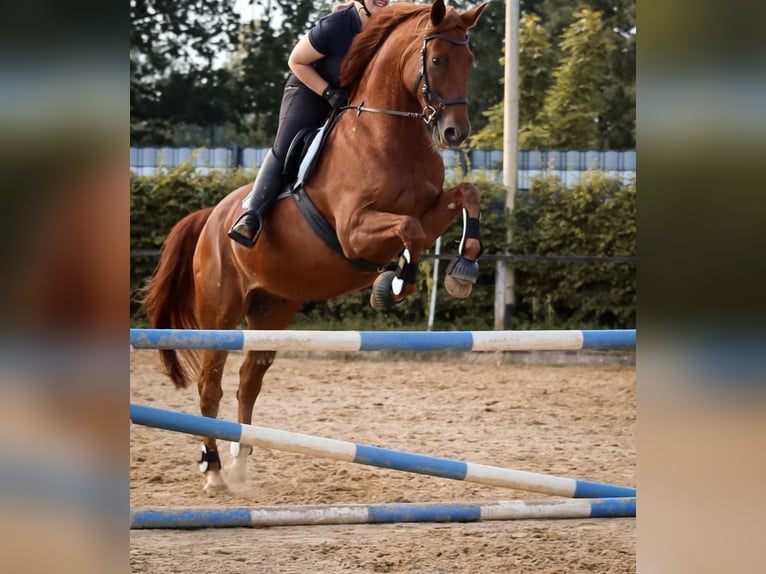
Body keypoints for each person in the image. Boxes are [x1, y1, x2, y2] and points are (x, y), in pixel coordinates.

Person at [228, 0, 391, 248]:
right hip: (310, 90)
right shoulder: (336, 25)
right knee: (287, 147)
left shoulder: (389, 23)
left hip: (352, 98)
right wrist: (327, 93)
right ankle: (252, 215)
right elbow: (296, 61)